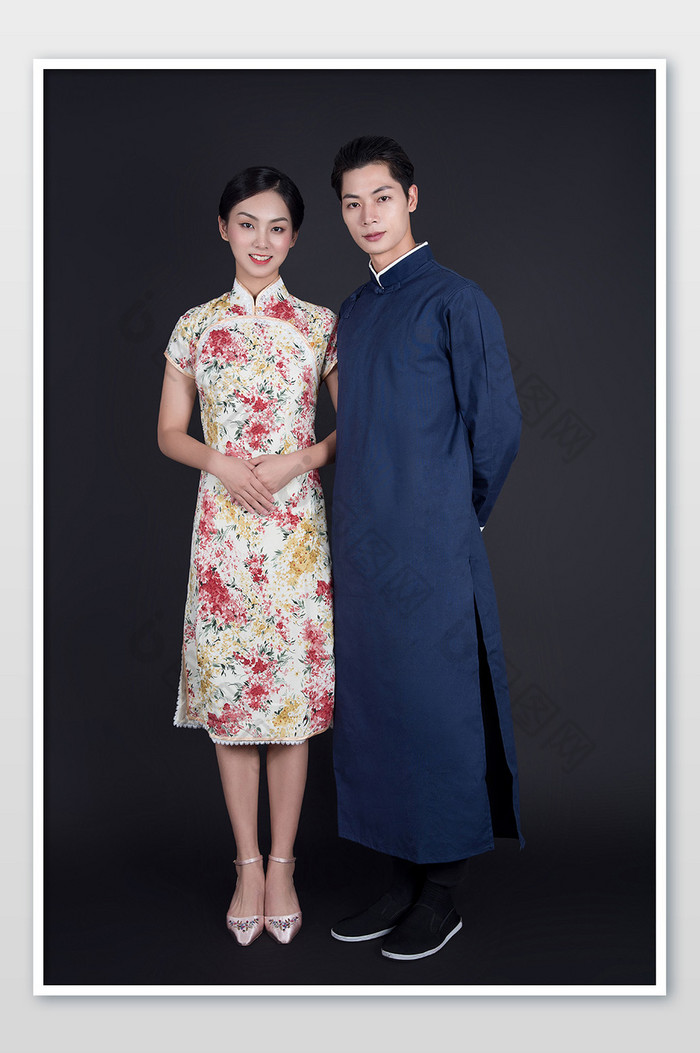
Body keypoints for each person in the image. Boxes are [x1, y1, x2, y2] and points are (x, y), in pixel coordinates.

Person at [328, 136, 524, 961]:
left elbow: (498, 426)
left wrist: (455, 515)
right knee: (379, 710)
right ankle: (399, 875)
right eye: (351, 203)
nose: (368, 215)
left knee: (439, 709)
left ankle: (441, 889)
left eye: (382, 197)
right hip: (362, 550)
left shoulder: (456, 300)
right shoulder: (353, 310)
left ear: (412, 198)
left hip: (433, 545)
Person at [157, 166, 338, 947]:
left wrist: (302, 457)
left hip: (295, 533)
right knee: (234, 710)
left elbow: (353, 426)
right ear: (223, 227)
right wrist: (220, 462)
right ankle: (247, 865)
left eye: (277, 227)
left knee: (289, 708)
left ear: (294, 237)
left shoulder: (322, 325)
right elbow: (169, 432)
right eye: (246, 223)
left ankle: (285, 864)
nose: (261, 241)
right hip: (225, 535)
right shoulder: (196, 325)